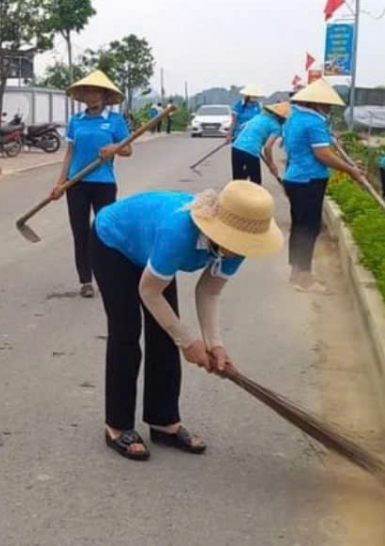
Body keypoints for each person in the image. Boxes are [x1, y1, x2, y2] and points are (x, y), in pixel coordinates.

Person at [90, 181, 283, 460]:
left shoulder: (239, 245)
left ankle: (163, 421)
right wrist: (188, 342)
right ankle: (117, 425)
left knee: (165, 334)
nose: (239, 249)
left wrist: (214, 345)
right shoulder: (179, 231)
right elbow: (149, 291)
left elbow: (209, 290)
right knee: (126, 331)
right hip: (114, 242)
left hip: (151, 251)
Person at [51, 70, 132, 299]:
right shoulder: (76, 121)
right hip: (76, 183)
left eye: (95, 90)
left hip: (104, 183)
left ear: (104, 95)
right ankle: (86, 281)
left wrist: (114, 149)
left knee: (105, 230)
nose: (90, 94)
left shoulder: (114, 121)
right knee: (80, 232)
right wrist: (60, 183)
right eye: (87, 90)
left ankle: (109, 275)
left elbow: (128, 149)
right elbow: (69, 153)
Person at [281, 79, 363, 294]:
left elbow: (308, 145)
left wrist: (328, 137)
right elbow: (323, 154)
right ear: (316, 103)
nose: (328, 109)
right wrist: (350, 170)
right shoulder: (314, 122)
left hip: (294, 178)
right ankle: (305, 278)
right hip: (309, 180)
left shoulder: (294, 118)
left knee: (299, 227)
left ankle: (297, 272)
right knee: (309, 228)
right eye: (327, 106)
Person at [231, 101, 290, 184]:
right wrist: (271, 164)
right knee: (256, 182)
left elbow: (243, 127)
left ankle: (235, 195)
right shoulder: (276, 127)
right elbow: (267, 147)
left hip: (236, 147)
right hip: (251, 151)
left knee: (237, 180)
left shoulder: (258, 117)